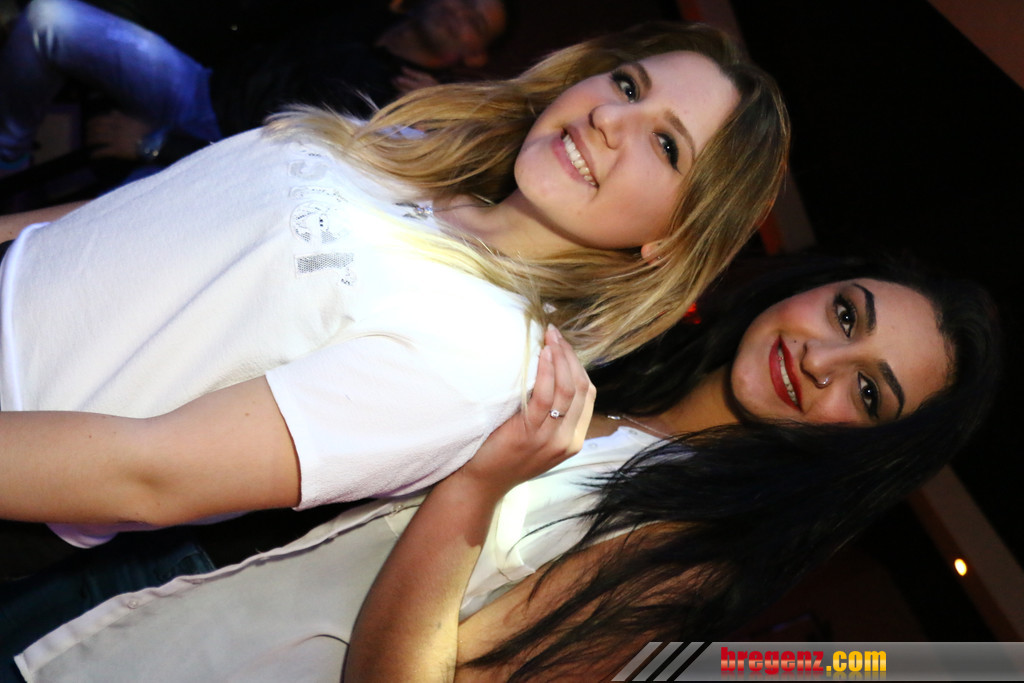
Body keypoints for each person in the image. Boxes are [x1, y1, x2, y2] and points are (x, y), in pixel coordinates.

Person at [0, 22, 790, 573]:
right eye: (626, 83)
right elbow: (143, 216)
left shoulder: (482, 355)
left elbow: (151, 476)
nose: (611, 118)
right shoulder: (411, 148)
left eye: (665, 144)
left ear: (671, 240)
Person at [3, 256, 1000, 681]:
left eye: (867, 390)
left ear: (863, 449)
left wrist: (476, 491)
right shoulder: (612, 379)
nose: (822, 358)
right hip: (130, 593)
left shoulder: (685, 557)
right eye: (846, 314)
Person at [0, 0, 506, 172]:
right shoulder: (359, 15)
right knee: (50, 17)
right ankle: (9, 151)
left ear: (476, 56)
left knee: (100, 235)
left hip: (217, 161)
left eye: (475, 22)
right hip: (200, 88)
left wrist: (156, 145)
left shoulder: (412, 109)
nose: (460, 12)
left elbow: (284, 169)